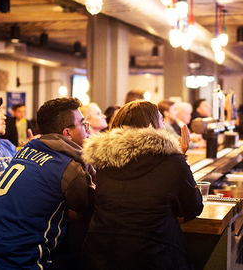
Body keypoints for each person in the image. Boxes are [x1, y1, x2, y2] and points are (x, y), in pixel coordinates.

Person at [0, 97, 95, 270]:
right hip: (11, 262)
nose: (87, 130)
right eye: (83, 124)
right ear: (67, 133)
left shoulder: (26, 149)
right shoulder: (67, 167)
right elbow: (93, 207)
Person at [81, 100, 203, 269]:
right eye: (161, 120)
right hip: (155, 256)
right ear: (152, 126)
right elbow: (193, 207)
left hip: (101, 256)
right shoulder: (172, 161)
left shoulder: (103, 161)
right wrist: (180, 157)